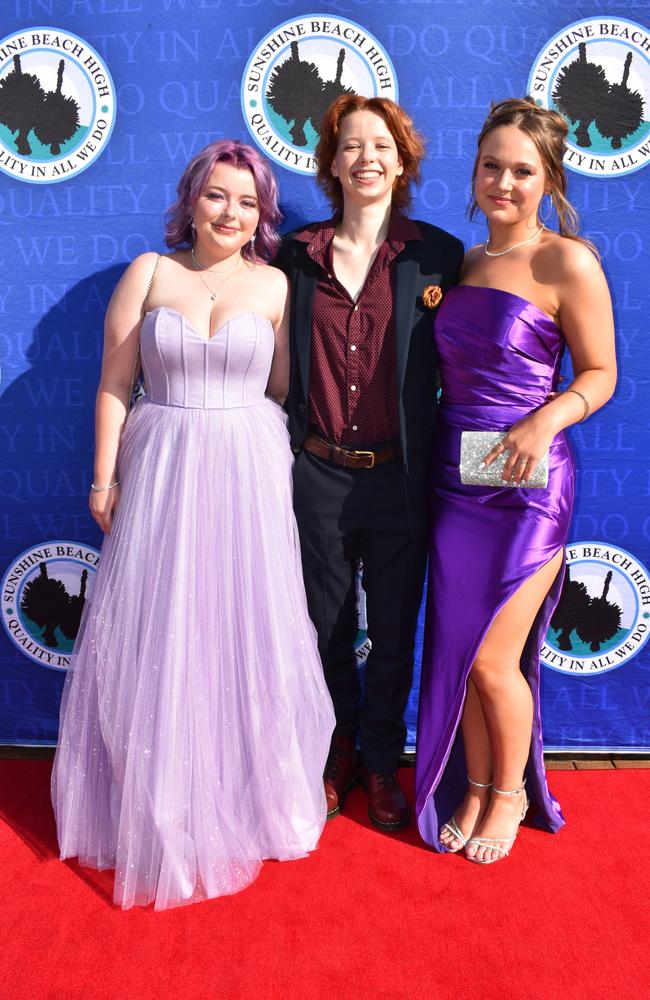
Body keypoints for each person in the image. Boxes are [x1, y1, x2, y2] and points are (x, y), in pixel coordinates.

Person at [51, 141, 335, 909]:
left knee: (242, 629)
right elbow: (115, 382)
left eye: (247, 202)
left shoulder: (276, 285)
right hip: (164, 463)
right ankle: (161, 805)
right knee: (162, 633)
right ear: (192, 199)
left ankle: (246, 797)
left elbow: (278, 389)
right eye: (217, 196)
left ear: (263, 214)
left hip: (246, 468)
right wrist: (104, 477)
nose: (231, 213)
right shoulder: (150, 271)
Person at [415, 98, 617, 864]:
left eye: (521, 170)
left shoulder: (568, 261)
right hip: (456, 481)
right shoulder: (463, 265)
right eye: (491, 166)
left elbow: (601, 373)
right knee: (464, 654)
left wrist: (546, 419)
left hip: (528, 486)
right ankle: (471, 786)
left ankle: (513, 793)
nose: (503, 182)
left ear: (549, 179)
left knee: (498, 660)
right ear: (474, 173)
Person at [276, 96, 464, 830]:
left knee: (391, 627)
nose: (366, 159)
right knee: (321, 626)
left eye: (381, 146)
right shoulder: (293, 254)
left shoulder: (439, 256)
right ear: (331, 164)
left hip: (401, 476)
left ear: (403, 159)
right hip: (315, 472)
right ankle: (335, 752)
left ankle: (383, 762)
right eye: (350, 147)